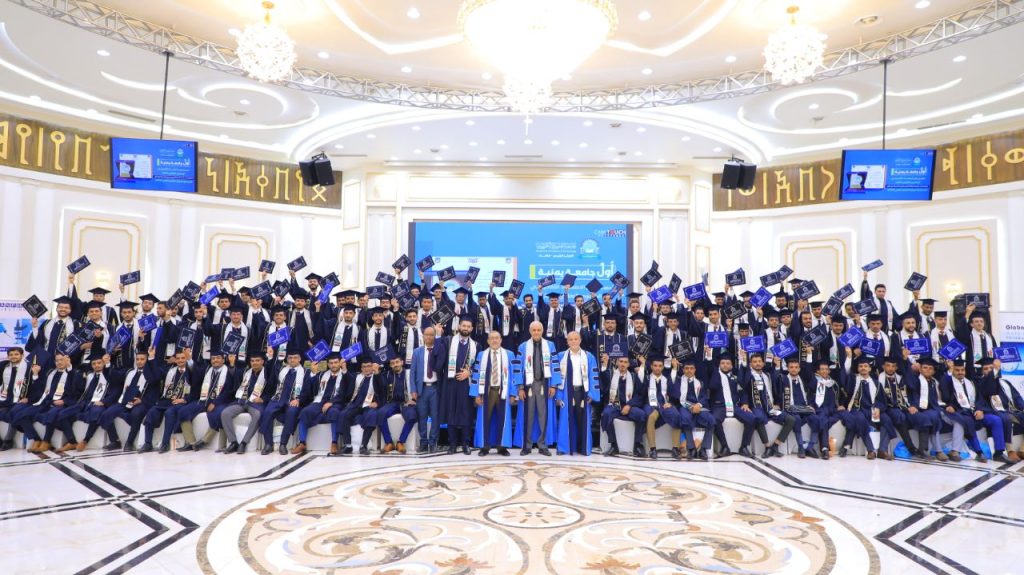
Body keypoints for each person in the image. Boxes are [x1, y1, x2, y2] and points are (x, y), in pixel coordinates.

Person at [172, 351, 235, 452]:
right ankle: (190, 442)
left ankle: (205, 440)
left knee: (218, 413)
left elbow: (229, 392)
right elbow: (195, 373)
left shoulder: (229, 372)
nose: (215, 360)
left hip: (221, 401)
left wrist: (215, 402)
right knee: (183, 411)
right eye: (213, 358)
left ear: (223, 360)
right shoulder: (207, 370)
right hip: (203, 400)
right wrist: (189, 360)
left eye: (218, 358)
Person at [99, 351, 160, 451]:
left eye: (142, 359)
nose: (139, 362)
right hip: (125, 401)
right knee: (106, 413)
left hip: (142, 402)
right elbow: (115, 377)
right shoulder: (129, 372)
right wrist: (108, 364)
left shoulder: (152, 374)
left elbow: (155, 390)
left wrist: (142, 400)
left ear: (147, 360)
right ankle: (114, 441)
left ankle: (129, 442)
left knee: (137, 413)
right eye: (137, 359)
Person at [63, 355, 123, 451]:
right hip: (86, 403)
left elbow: (116, 391)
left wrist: (104, 402)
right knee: (63, 413)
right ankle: (72, 441)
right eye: (94, 364)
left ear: (104, 363)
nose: (96, 365)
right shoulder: (90, 375)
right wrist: (69, 367)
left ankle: (85, 440)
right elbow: (76, 381)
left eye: (99, 363)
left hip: (100, 403)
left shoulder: (111, 374)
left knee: (96, 412)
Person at [219, 352, 275, 455]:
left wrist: (263, 399)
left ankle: (244, 443)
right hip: (242, 401)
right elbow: (234, 378)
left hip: (256, 403)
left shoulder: (267, 373)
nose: (254, 363)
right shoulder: (245, 372)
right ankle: (233, 442)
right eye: (252, 361)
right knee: (225, 413)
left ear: (263, 362)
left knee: (257, 415)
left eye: (257, 360)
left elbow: (273, 390)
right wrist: (232, 364)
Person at [515, 321, 557, 456]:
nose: (536, 332)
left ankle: (542, 445)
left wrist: (553, 385)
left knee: (543, 416)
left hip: (544, 384)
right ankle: (527, 446)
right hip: (528, 385)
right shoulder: (523, 347)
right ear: (530, 331)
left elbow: (554, 365)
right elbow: (518, 368)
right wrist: (520, 387)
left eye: (539, 330)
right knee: (528, 416)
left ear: (542, 331)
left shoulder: (550, 345)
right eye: (534, 330)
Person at [472, 331, 518, 456]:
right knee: (484, 419)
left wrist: (513, 393)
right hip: (486, 391)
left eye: (497, 338)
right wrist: (476, 394)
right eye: (491, 338)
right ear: (488, 341)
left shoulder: (509, 354)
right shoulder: (481, 355)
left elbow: (514, 375)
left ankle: (501, 447)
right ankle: (484, 447)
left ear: (501, 340)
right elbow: (476, 375)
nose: (494, 340)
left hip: (503, 391)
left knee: (503, 419)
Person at [438, 317, 478, 455]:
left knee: (466, 413)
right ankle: (452, 444)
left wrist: (469, 372)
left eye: (468, 326)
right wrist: (438, 336)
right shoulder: (448, 341)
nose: (466, 328)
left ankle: (466, 443)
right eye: (463, 326)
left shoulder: (476, 345)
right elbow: (439, 360)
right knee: (451, 413)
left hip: (466, 384)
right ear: (459, 326)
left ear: (472, 329)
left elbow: (478, 366)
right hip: (450, 382)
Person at [139, 350, 194, 453]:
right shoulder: (170, 370)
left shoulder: (191, 371)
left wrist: (184, 399)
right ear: (175, 360)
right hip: (166, 400)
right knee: (152, 411)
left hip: (181, 401)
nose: (180, 360)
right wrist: (151, 358)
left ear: (186, 359)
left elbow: (196, 389)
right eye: (178, 358)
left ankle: (165, 444)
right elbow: (155, 376)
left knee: (169, 413)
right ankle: (147, 443)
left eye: (183, 358)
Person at [555, 331, 600, 456]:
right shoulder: (561, 356)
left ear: (580, 340)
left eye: (576, 339)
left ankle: (583, 447)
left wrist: (592, 394)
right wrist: (558, 396)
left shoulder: (589, 357)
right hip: (567, 392)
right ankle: (564, 448)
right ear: (567, 342)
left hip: (583, 392)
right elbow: (557, 377)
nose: (573, 341)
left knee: (583, 420)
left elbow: (593, 376)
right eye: (571, 339)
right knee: (565, 420)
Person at [258, 352, 310, 455]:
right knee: (267, 412)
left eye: (295, 357)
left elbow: (307, 390)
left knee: (292, 412)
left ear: (300, 359)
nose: (292, 360)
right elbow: (270, 383)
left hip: (293, 400)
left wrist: (299, 399)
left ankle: (283, 444)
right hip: (278, 399)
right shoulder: (280, 369)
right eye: (290, 357)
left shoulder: (305, 372)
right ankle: (268, 444)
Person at [291, 353, 344, 455]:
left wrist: (331, 402)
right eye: (331, 363)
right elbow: (313, 389)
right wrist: (313, 373)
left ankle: (334, 443)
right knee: (305, 411)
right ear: (327, 364)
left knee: (334, 412)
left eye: (336, 362)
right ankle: (302, 443)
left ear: (340, 363)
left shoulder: (345, 375)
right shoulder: (322, 374)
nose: (333, 365)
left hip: (335, 402)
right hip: (319, 400)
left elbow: (346, 394)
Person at [940, 359, 989, 462]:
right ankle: (978, 451)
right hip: (954, 411)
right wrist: (949, 370)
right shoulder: (948, 381)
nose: (960, 372)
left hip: (969, 411)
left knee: (968, 420)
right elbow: (946, 397)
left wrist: (979, 409)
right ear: (953, 371)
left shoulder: (970, 383)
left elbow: (978, 399)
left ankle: (970, 452)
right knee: (965, 421)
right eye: (957, 370)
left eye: (962, 370)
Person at [844, 356, 891, 460]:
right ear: (857, 369)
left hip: (872, 409)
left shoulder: (876, 383)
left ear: (870, 368)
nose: (863, 368)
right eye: (860, 366)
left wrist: (878, 408)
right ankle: (871, 450)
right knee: (860, 419)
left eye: (865, 366)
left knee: (887, 419)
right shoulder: (853, 380)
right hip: (857, 409)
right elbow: (847, 394)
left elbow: (882, 401)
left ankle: (882, 450)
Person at [978, 357, 1024, 462]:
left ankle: (1022, 450)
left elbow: (1016, 397)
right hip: (995, 411)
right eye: (986, 369)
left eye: (991, 368)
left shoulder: (1004, 382)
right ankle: (1010, 451)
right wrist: (995, 370)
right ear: (982, 371)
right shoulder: (981, 383)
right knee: (1005, 419)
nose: (989, 370)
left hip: (1012, 411)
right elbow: (989, 389)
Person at [599, 355, 646, 457]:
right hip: (614, 405)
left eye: (625, 362)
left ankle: (637, 445)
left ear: (628, 364)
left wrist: (629, 405)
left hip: (630, 406)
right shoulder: (611, 374)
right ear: (616, 363)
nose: (623, 364)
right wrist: (605, 365)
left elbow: (639, 395)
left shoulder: (633, 376)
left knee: (641, 414)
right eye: (620, 361)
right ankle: (613, 445)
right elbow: (603, 379)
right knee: (606, 413)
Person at [332, 358, 379, 455]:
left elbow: (382, 390)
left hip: (370, 404)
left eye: (369, 366)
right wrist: (344, 368)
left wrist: (377, 403)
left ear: (372, 367)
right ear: (361, 369)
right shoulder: (358, 377)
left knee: (371, 415)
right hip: (356, 404)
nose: (366, 369)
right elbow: (348, 377)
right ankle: (348, 445)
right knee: (344, 414)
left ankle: (363, 446)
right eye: (364, 367)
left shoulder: (377, 376)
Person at [878, 357, 922, 458]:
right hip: (885, 407)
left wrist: (911, 406)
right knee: (898, 416)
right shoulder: (878, 379)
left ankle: (882, 450)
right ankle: (911, 447)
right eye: (888, 366)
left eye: (893, 366)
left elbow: (907, 395)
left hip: (901, 407)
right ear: (883, 366)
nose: (890, 368)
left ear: (896, 367)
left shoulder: (901, 379)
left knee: (893, 419)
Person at [906, 357, 948, 461]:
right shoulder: (915, 380)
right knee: (931, 418)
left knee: (938, 415)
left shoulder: (935, 382)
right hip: (917, 409)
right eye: (925, 367)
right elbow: (911, 392)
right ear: (920, 369)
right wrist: (913, 406)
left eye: (930, 368)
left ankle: (933, 450)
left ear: (934, 371)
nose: (928, 370)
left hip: (932, 408)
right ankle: (933, 450)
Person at [378, 353, 419, 453]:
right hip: (392, 403)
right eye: (392, 363)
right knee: (380, 414)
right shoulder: (387, 374)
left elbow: (416, 387)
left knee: (412, 416)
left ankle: (401, 442)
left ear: (402, 362)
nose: (395, 365)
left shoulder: (409, 373)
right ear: (390, 365)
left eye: (397, 362)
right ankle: (389, 443)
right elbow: (380, 387)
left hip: (406, 402)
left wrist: (414, 400)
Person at [676, 359, 716, 460]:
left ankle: (704, 449)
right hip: (684, 406)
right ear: (683, 370)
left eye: (691, 368)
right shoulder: (678, 382)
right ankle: (691, 448)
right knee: (685, 419)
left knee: (711, 420)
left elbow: (703, 397)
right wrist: (691, 407)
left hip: (698, 407)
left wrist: (698, 404)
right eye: (686, 368)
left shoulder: (700, 383)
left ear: (695, 370)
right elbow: (677, 396)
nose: (689, 370)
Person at [775, 356, 813, 458]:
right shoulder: (783, 379)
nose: (794, 369)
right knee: (796, 418)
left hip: (804, 408)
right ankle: (801, 447)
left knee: (816, 418)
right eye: (791, 367)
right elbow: (776, 386)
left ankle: (811, 447)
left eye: (796, 367)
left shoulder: (803, 379)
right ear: (787, 368)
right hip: (790, 408)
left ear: (799, 369)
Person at [707, 354, 742, 458]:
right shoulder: (715, 374)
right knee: (714, 419)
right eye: (722, 363)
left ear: (731, 366)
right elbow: (712, 383)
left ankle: (744, 446)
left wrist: (745, 403)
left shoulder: (735, 377)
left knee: (751, 419)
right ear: (719, 365)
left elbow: (743, 391)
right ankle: (725, 446)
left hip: (735, 406)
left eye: (727, 363)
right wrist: (709, 357)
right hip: (720, 406)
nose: (725, 365)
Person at [807, 359, 842, 459]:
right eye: (822, 369)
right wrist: (811, 405)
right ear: (818, 371)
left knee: (840, 416)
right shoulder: (815, 382)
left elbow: (838, 397)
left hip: (832, 410)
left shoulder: (834, 384)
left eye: (826, 369)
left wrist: (839, 405)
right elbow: (810, 395)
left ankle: (813, 446)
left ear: (829, 371)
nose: (824, 371)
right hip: (820, 409)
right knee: (823, 420)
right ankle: (825, 449)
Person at [0, 348, 32, 450]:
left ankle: (8, 441)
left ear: (22, 355)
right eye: (11, 354)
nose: (13, 356)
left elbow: (35, 386)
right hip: (5, 399)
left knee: (14, 413)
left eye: (16, 354)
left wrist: (29, 398)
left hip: (21, 400)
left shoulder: (29, 368)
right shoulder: (4, 366)